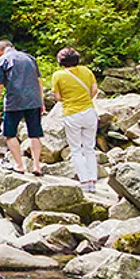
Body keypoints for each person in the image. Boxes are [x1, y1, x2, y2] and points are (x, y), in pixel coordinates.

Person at [51, 46, 100, 191]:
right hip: (89, 112)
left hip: (71, 114)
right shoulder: (86, 71)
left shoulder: (58, 76)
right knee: (89, 148)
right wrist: (86, 99)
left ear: (61, 62)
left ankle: (84, 182)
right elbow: (95, 90)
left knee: (76, 149)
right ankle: (93, 181)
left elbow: (57, 97)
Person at [0, 39, 44, 175]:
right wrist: (41, 102)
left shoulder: (2, 60)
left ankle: (20, 165)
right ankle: (37, 166)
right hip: (34, 100)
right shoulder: (30, 58)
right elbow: (39, 82)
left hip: (14, 101)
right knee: (35, 134)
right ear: (12, 47)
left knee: (10, 134)